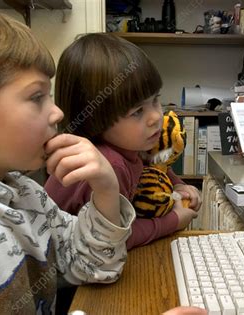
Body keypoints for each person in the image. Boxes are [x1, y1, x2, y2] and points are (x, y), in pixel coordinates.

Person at [0, 3, 138, 313]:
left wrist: (107, 189)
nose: (57, 112)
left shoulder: (26, 192)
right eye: (36, 97)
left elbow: (91, 265)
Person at [44, 33, 202, 250]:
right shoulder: (110, 164)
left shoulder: (131, 143)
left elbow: (153, 164)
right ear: (94, 119)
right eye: (137, 111)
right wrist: (174, 221)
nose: (156, 117)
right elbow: (117, 239)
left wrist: (179, 184)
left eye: (155, 100)